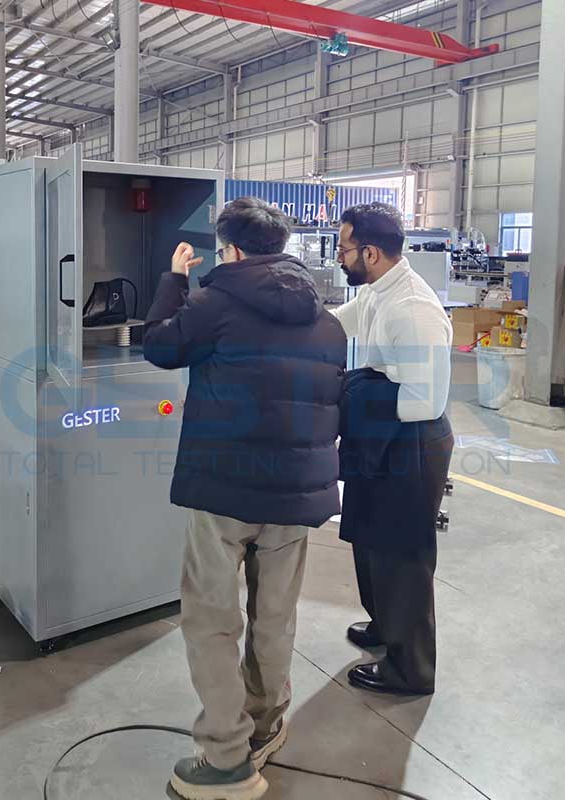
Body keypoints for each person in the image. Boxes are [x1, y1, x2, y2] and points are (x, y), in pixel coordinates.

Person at [144, 197, 347, 800]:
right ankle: (264, 725)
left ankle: (227, 760)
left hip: (225, 491)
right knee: (275, 616)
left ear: (230, 250)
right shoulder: (327, 321)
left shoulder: (213, 305)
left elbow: (159, 347)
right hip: (295, 493)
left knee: (211, 620)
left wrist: (174, 280)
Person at [331, 202, 454, 696]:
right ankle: (386, 625)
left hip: (412, 441)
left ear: (371, 252)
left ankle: (410, 670)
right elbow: (334, 324)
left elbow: (427, 400)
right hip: (383, 433)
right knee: (370, 541)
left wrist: (355, 397)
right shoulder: (376, 292)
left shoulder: (413, 308)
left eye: (343, 248)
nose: (339, 257)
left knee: (402, 555)